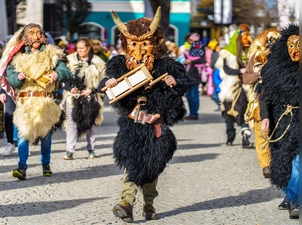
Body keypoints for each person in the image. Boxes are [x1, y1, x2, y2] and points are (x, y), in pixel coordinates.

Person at [98, 7, 188, 222]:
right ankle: (126, 203)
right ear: (126, 43)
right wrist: (107, 82)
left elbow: (185, 84)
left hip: (156, 125)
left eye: (145, 43)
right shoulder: (119, 65)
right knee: (131, 163)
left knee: (152, 167)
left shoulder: (166, 66)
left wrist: (175, 83)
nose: (139, 51)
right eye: (133, 44)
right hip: (132, 124)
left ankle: (149, 205)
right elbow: (105, 84)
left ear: (154, 42)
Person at [0, 23, 73, 180]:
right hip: (26, 102)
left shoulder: (52, 55)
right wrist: (17, 78)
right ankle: (22, 166)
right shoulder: (17, 58)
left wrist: (56, 74)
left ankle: (46, 164)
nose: (36, 37)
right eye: (31, 34)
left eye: (38, 34)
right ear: (25, 38)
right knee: (24, 135)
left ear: (43, 36)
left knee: (45, 136)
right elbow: (10, 77)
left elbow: (66, 71)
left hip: (45, 101)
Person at [259, 24, 299, 219]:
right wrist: (265, 116)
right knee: (285, 161)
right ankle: (290, 195)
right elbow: (265, 95)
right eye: (291, 45)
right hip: (282, 120)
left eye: (300, 45)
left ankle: (295, 200)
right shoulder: (274, 70)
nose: (295, 50)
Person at [242, 28, 281, 178]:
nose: (271, 45)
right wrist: (259, 75)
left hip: (280, 100)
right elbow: (246, 78)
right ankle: (266, 165)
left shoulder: (285, 59)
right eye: (269, 42)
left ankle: (279, 162)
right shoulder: (256, 57)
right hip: (259, 100)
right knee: (262, 134)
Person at [61, 37, 106, 160]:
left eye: (82, 48)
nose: (79, 50)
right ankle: (69, 150)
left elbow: (103, 81)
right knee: (71, 123)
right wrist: (70, 88)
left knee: (90, 123)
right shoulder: (70, 61)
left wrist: (92, 90)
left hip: (90, 97)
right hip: (72, 97)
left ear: (88, 48)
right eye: (78, 48)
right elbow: (64, 78)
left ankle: (91, 149)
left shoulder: (97, 62)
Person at [214, 24, 254, 147]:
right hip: (231, 85)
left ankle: (245, 136)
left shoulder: (250, 51)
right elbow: (227, 69)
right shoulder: (227, 53)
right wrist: (239, 71)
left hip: (246, 85)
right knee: (228, 112)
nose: (247, 39)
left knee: (244, 111)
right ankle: (230, 136)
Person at [184, 33, 206, 120]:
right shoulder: (188, 48)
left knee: (193, 95)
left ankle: (194, 114)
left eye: (191, 40)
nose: (190, 42)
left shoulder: (200, 47)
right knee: (189, 95)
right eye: (189, 41)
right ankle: (192, 112)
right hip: (187, 74)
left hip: (195, 75)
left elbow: (203, 59)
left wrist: (191, 62)